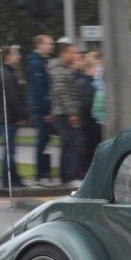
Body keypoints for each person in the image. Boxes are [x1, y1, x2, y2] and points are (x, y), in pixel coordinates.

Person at [0, 45, 28, 188]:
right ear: (8, 57)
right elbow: (14, 98)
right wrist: (22, 115)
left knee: (9, 149)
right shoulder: (8, 75)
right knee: (9, 151)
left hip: (0, 117)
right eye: (16, 54)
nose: (19, 57)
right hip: (9, 117)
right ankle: (9, 180)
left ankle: (13, 180)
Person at [49, 40, 82, 185]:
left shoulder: (61, 69)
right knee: (71, 144)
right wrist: (72, 113)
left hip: (62, 112)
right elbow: (62, 93)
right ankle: (70, 176)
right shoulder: (60, 70)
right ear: (63, 54)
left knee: (67, 144)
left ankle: (65, 175)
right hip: (63, 113)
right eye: (71, 53)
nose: (74, 56)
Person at [26, 34, 55, 186]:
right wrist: (45, 111)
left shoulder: (42, 62)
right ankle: (41, 174)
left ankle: (44, 173)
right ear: (39, 45)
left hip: (41, 108)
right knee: (42, 141)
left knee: (45, 142)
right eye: (48, 43)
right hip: (41, 110)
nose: (51, 46)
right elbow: (39, 89)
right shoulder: (37, 64)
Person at [76, 51, 101, 177]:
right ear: (90, 68)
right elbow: (87, 105)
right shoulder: (87, 85)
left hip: (86, 124)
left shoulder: (83, 82)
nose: (97, 71)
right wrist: (94, 120)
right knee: (89, 152)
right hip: (89, 126)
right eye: (96, 68)